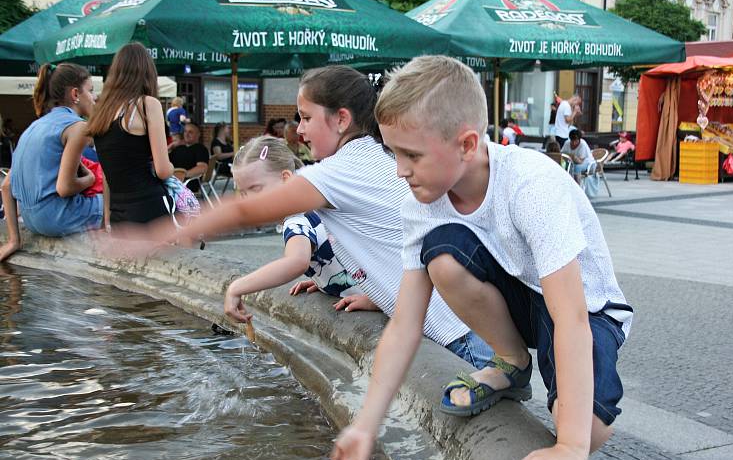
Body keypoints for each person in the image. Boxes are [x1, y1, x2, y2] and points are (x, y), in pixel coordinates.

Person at [329, 56, 633, 460]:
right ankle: (511, 362)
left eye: (411, 155)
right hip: (522, 295)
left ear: (467, 143)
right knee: (443, 256)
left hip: (586, 310)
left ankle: (565, 414)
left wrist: (569, 448)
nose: (399, 170)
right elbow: (405, 323)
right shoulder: (422, 200)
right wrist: (365, 424)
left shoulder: (531, 184)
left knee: (588, 430)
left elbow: (570, 318)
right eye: (393, 153)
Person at [103, 65, 493, 369]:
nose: (299, 130)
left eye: (306, 118)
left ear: (341, 119)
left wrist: (154, 234)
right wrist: (380, 295)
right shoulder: (376, 155)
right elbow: (396, 239)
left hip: (455, 336)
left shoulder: (335, 173)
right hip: (472, 322)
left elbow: (243, 211)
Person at [224, 136, 378, 322]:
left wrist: (237, 287)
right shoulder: (311, 207)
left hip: (385, 297)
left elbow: (296, 262)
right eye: (244, 192)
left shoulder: (296, 220)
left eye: (256, 189)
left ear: (286, 178)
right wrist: (324, 279)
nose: (250, 201)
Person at [0, 63, 103, 261]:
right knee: (116, 203)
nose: (95, 97)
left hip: (30, 220)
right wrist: (89, 180)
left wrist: (14, 240)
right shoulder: (78, 127)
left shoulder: (33, 126)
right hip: (56, 218)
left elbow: (6, 186)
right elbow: (65, 188)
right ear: (75, 94)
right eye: (90, 91)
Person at [89, 42, 175, 225]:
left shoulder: (101, 113)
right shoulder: (147, 104)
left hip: (117, 210)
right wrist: (172, 168)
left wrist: (107, 217)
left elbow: (105, 174)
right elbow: (163, 170)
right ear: (147, 72)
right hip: (148, 207)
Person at [169, 123, 209, 192]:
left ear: (198, 134)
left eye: (190, 132)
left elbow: (202, 168)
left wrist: (182, 175)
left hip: (187, 182)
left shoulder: (200, 149)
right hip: (172, 180)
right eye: (185, 131)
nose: (186, 134)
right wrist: (170, 146)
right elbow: (163, 162)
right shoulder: (178, 148)